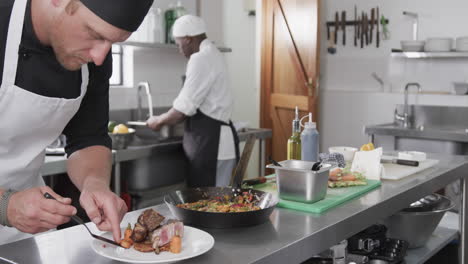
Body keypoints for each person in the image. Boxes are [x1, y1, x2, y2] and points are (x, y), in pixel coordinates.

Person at [0, 0, 153, 245]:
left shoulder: (94, 57)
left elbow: (88, 138)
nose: (100, 56)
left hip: (25, 234)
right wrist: (5, 205)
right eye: (94, 34)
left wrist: (95, 184)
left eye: (111, 43)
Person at [146, 15, 239, 188]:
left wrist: (158, 121)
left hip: (210, 144)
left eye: (178, 43)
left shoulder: (200, 58)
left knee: (209, 204)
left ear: (188, 39)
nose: (179, 48)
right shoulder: (214, 53)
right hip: (219, 142)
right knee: (221, 201)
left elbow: (183, 109)